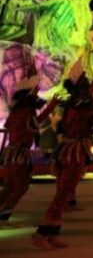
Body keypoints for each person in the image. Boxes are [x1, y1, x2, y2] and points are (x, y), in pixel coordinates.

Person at [33, 58, 93, 249]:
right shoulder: (83, 106)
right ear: (82, 89)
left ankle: (52, 233)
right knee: (61, 195)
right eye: (87, 85)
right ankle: (42, 234)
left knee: (63, 195)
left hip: (69, 151)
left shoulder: (76, 104)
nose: (91, 87)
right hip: (73, 153)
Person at [0, 84, 59, 223]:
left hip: (11, 152)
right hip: (19, 154)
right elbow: (35, 123)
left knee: (10, 185)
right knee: (21, 185)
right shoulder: (26, 112)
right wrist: (51, 107)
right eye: (33, 97)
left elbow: (10, 125)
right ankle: (5, 212)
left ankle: (4, 211)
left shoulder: (16, 112)